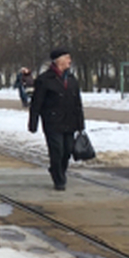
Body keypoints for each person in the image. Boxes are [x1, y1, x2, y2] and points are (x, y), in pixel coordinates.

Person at [27, 48, 85, 191]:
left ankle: (57, 170)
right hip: (53, 122)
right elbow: (36, 103)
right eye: (67, 58)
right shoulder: (44, 80)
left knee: (67, 151)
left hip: (70, 121)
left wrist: (80, 123)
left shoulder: (72, 79)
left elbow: (78, 103)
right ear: (58, 60)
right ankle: (59, 179)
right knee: (57, 150)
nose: (70, 61)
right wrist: (33, 122)